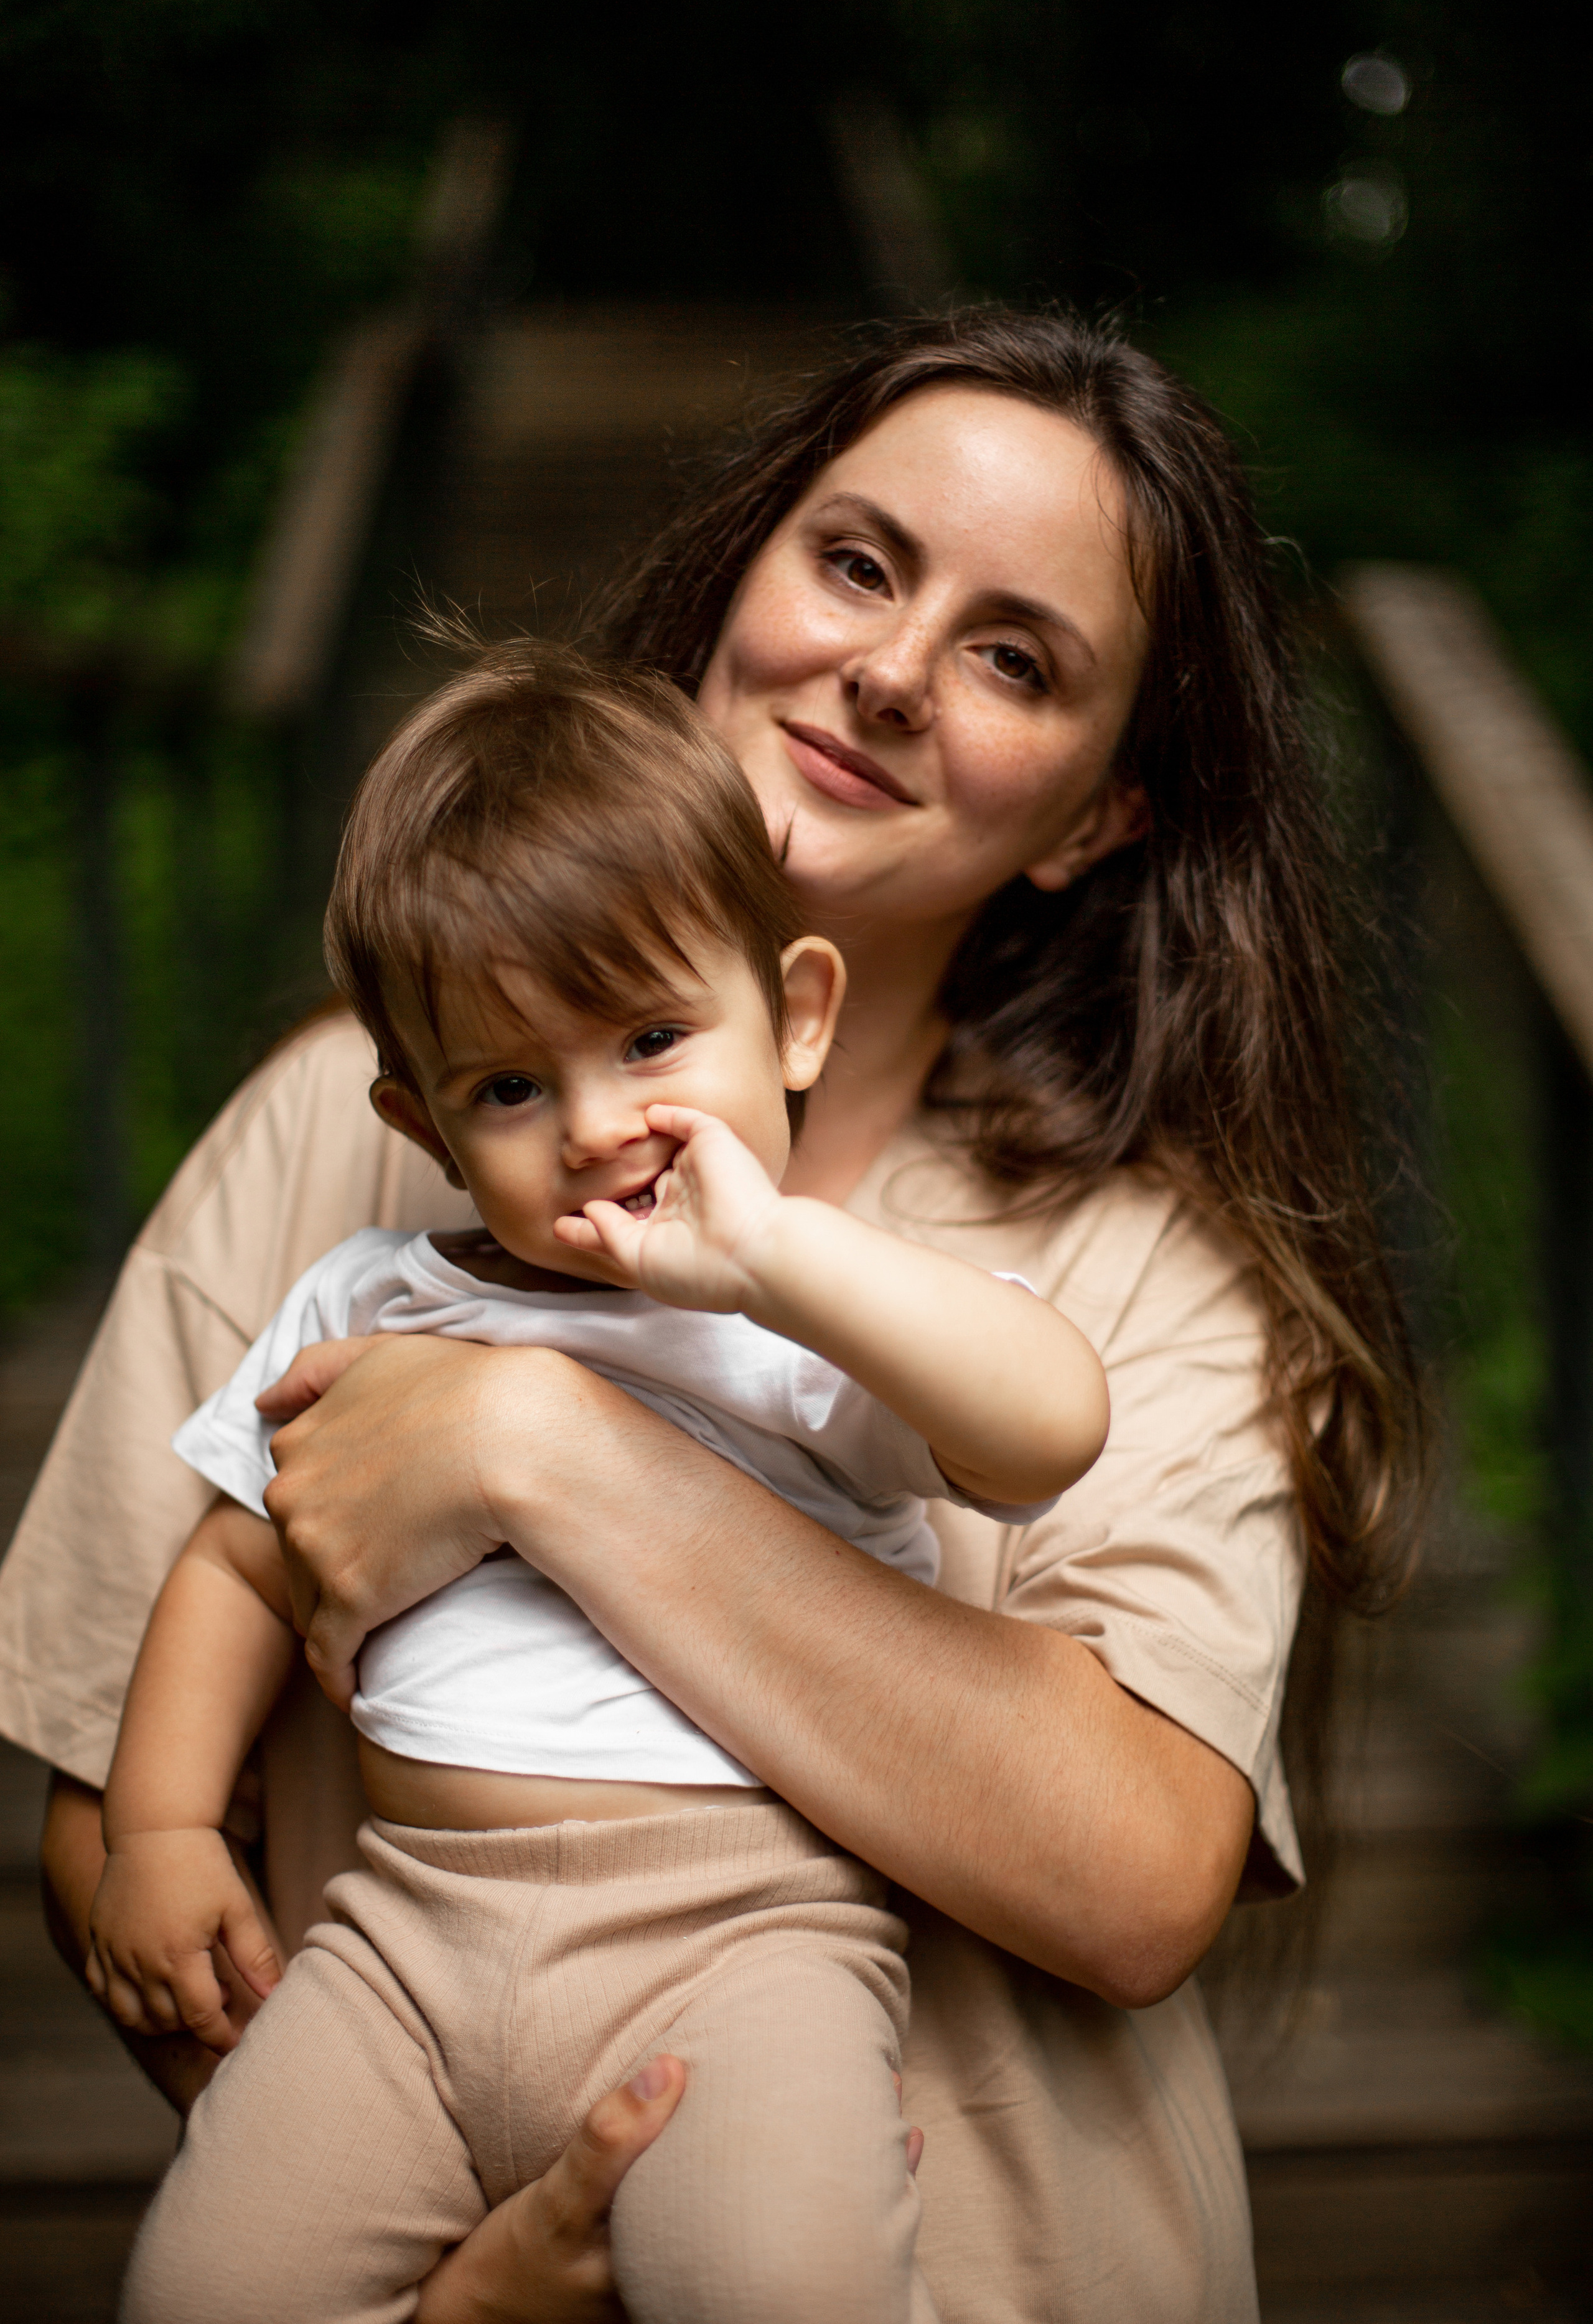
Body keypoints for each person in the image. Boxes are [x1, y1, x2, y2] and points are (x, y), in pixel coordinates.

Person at [1, 307, 1422, 2324]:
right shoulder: (338, 1129)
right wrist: (484, 2290)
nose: (893, 671)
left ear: (1105, 810)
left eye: (1018, 657)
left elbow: (1132, 1877)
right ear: (751, 569)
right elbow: (119, 1820)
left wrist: (533, 1449)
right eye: (857, 561)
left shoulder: (1146, 1265)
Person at [90, 646, 1109, 2323]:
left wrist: (782, 1259)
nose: (594, 1125)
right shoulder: (372, 1301)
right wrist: (162, 1827)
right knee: (201, 2289)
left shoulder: (807, 1311)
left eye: (651, 1037)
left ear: (792, 1019)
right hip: (401, 1950)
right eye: (511, 1087)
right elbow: (236, 1566)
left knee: (782, 2285)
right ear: (422, 1123)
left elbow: (1047, 1425)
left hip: (743, 1950)